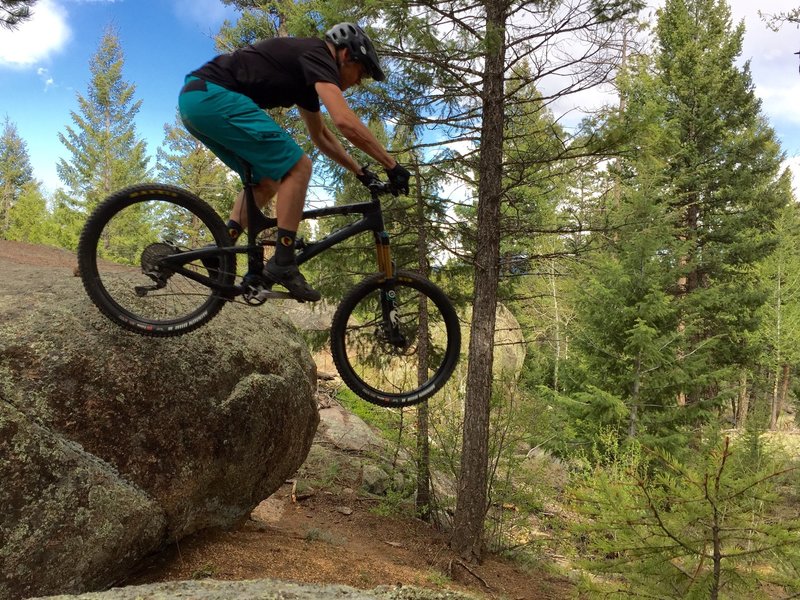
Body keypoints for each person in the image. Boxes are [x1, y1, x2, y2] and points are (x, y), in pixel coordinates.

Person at [178, 22, 411, 302]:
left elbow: (322, 135)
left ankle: (220, 251)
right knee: (298, 166)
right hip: (212, 96)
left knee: (266, 180)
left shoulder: (307, 75)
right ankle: (284, 261)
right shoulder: (318, 55)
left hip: (197, 101)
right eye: (360, 73)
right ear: (346, 55)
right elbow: (344, 121)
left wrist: (360, 171)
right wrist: (391, 165)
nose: (356, 83)